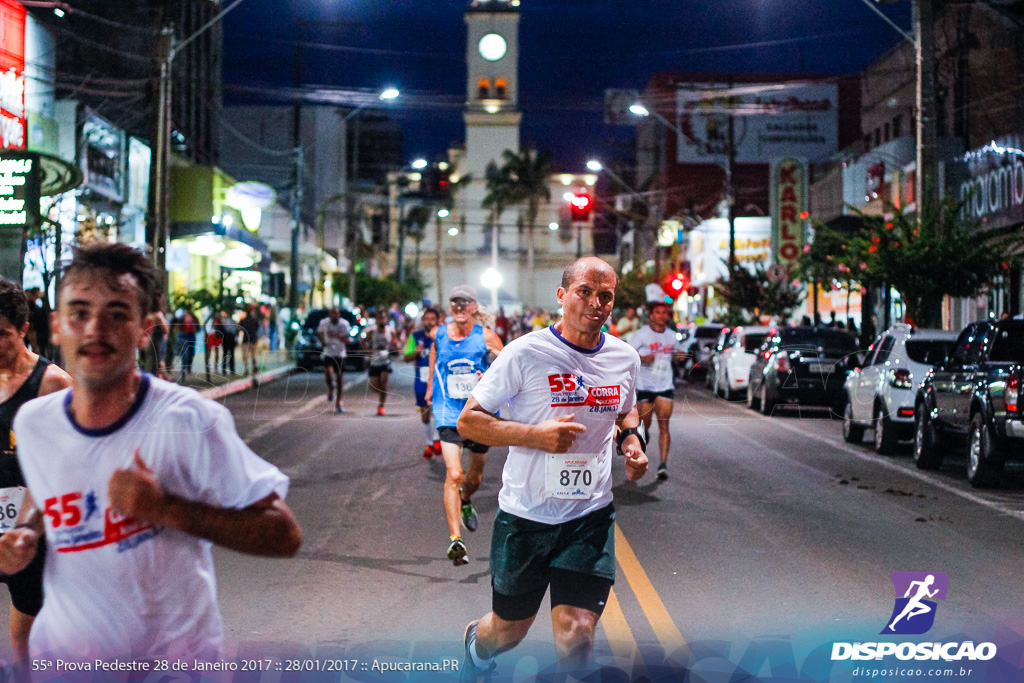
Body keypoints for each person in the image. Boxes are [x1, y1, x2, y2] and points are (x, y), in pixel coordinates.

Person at [0, 242, 302, 664]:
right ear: (56, 326)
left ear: (145, 328)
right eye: (80, 312)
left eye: (117, 314)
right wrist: (27, 531)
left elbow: (284, 534)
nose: (95, 329)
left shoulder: (189, 418)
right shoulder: (34, 424)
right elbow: (49, 493)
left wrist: (165, 509)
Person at [455, 257, 647, 678]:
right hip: (525, 518)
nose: (595, 303)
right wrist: (533, 435)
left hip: (589, 517)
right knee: (507, 631)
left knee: (576, 632)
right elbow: (468, 421)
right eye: (585, 292)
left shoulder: (624, 358)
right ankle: (476, 645)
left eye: (606, 296)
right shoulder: (525, 353)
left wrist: (633, 444)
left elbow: (627, 414)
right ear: (562, 296)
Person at [0, 279, 71, 660]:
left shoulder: (52, 383)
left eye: (2, 334)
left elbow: (74, 461)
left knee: (30, 618)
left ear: (24, 329)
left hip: (32, 518)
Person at [426, 286, 503, 566]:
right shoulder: (439, 334)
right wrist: (428, 387)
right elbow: (434, 356)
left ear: (474, 307)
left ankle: (466, 500)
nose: (459, 307)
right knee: (454, 473)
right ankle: (456, 539)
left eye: (465, 302)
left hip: (477, 412)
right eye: (454, 302)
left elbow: (505, 365)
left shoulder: (486, 336)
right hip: (447, 411)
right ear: (450, 307)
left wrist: (489, 373)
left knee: (475, 478)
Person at [628, 301, 686, 481]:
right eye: (658, 313)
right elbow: (628, 354)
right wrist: (643, 358)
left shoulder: (671, 335)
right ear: (651, 316)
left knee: (664, 424)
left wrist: (680, 356)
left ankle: (662, 465)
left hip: (665, 385)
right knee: (644, 425)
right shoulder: (641, 334)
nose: (662, 316)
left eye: (664, 313)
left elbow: (678, 353)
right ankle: (643, 437)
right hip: (645, 386)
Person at [404, 307, 441, 459]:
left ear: (438, 321)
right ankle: (429, 442)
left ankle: (437, 439)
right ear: (423, 320)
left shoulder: (442, 336)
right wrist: (415, 352)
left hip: (439, 380)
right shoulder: (415, 336)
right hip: (422, 380)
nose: (430, 322)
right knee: (425, 414)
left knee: (438, 411)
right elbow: (406, 357)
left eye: (433, 319)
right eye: (427, 319)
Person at [364, 310, 399, 416]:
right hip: (374, 361)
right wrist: (367, 350)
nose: (381, 320)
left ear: (386, 319)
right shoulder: (372, 331)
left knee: (383, 384)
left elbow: (396, 343)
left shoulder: (391, 331)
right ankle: (381, 396)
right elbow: (363, 342)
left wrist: (395, 347)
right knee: (375, 387)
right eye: (379, 318)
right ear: (376, 320)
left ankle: (381, 406)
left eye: (383, 318)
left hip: (386, 361)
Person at [317, 307, 351, 413]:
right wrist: (322, 341)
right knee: (328, 374)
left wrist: (343, 338)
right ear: (329, 314)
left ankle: (339, 401)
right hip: (328, 352)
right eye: (332, 313)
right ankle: (331, 387)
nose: (334, 316)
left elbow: (349, 339)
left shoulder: (344, 324)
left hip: (340, 354)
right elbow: (319, 333)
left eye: (336, 313)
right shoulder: (324, 323)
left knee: (339, 377)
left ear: (339, 314)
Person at [177, 307, 199, 381]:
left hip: (191, 336)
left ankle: (189, 367)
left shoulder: (194, 318)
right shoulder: (182, 317)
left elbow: (198, 326)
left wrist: (195, 330)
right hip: (184, 336)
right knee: (184, 354)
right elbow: (178, 325)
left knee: (191, 353)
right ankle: (184, 369)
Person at [239, 303, 261, 376]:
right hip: (251, 339)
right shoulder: (254, 320)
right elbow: (257, 328)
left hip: (248, 339)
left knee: (247, 355)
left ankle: (248, 369)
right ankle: (252, 368)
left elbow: (240, 328)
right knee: (252, 355)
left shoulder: (245, 320)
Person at [217, 310, 238, 375]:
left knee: (227, 354)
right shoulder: (228, 321)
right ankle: (228, 369)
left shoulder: (228, 321)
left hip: (228, 339)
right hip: (228, 339)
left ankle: (228, 369)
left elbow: (235, 331)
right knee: (228, 354)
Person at [204, 310, 222, 380]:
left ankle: (215, 365)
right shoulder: (210, 317)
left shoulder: (214, 318)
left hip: (214, 334)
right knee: (210, 350)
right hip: (211, 334)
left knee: (213, 350)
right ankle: (211, 365)